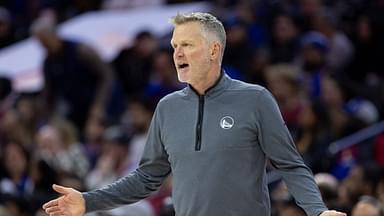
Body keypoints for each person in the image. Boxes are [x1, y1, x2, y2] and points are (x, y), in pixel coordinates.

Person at [42, 12, 346, 216]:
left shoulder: (255, 99)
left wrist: (318, 211)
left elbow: (290, 165)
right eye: (175, 46)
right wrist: (88, 200)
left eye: (187, 44)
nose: (177, 54)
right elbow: (147, 178)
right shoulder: (167, 107)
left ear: (214, 50)